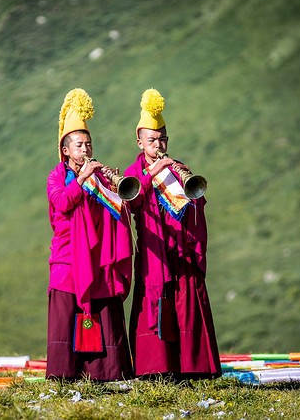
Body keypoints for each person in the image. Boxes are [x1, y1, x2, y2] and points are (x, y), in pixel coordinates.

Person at [124, 88, 222, 380]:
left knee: (187, 301)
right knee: (154, 303)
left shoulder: (179, 167)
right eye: (152, 140)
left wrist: (181, 179)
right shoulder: (133, 171)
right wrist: (154, 173)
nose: (158, 144)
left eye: (162, 139)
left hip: (180, 249)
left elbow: (195, 203)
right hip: (155, 251)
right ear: (139, 141)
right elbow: (132, 202)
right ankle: (155, 368)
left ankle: (193, 367)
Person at [46, 88, 134, 381]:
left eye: (89, 144)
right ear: (66, 151)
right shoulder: (57, 176)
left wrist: (112, 187)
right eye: (79, 145)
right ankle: (65, 374)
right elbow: (61, 203)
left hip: (96, 258)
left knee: (104, 311)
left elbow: (114, 214)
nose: (86, 150)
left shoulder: (98, 176)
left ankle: (107, 372)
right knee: (66, 315)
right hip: (68, 258)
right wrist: (82, 179)